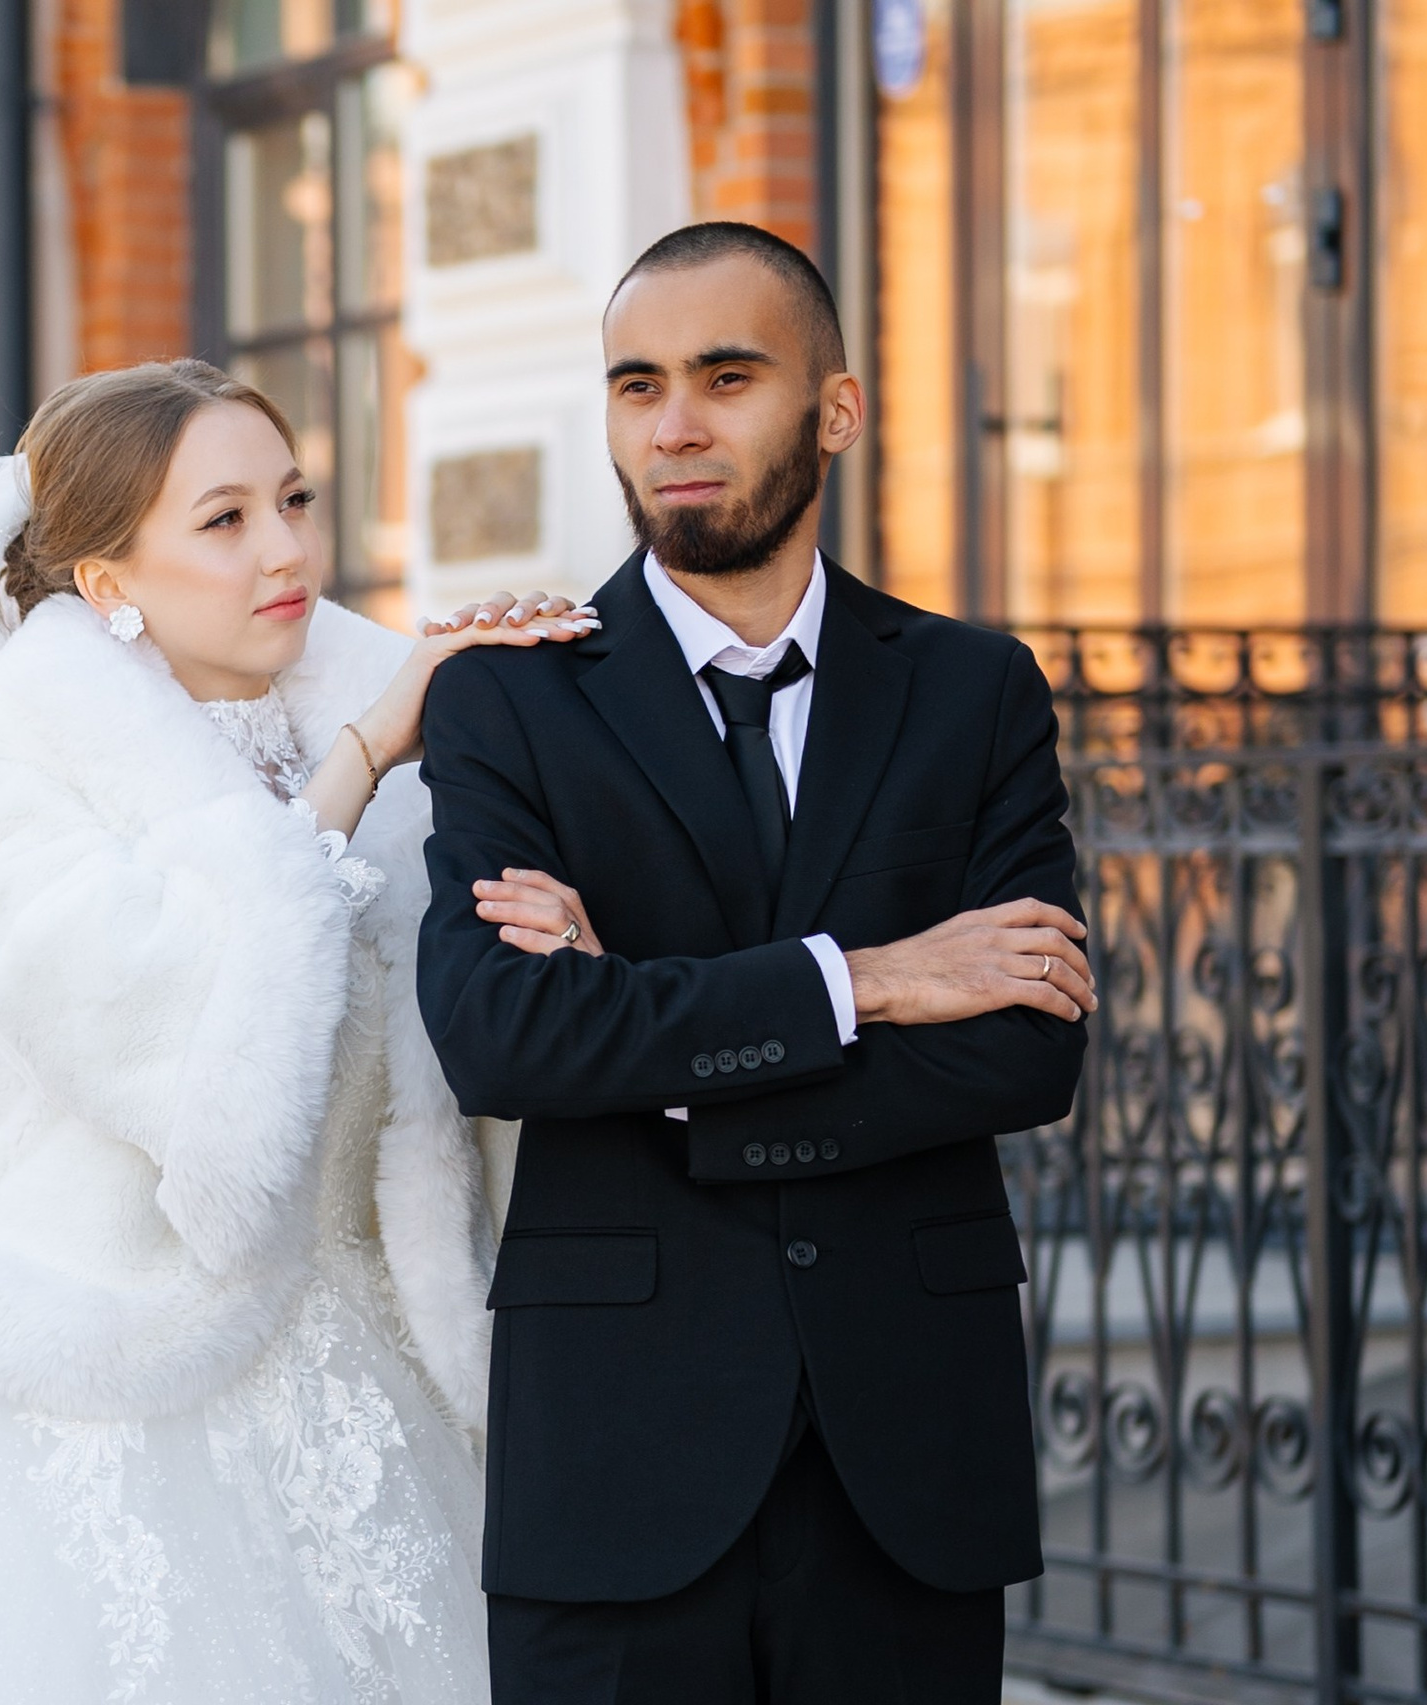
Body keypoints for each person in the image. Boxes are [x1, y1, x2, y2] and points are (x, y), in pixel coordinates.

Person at [0, 359, 594, 1704]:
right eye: (226, 518)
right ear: (110, 584)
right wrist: (365, 755)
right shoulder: (6, 759)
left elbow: (458, 1037)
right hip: (105, 1356)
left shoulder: (379, 710)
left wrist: (561, 902)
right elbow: (191, 1032)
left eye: (294, 498)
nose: (289, 549)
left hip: (372, 1365)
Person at [414, 221, 1098, 1704]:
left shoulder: (975, 691)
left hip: (905, 1459)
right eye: (636, 384)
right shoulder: (505, 701)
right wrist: (876, 980)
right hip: (615, 1459)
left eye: (726, 377)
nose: (674, 425)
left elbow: (1029, 1042)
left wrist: (654, 1051)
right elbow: (507, 1036)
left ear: (834, 411)